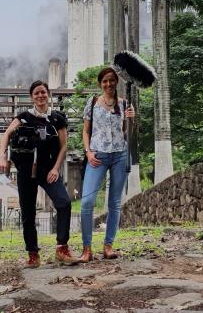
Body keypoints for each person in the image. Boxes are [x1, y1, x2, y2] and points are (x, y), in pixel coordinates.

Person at [0, 80, 78, 267]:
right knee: (28, 212)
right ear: (31, 97)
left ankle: (62, 248)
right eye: (36, 93)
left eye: (43, 92)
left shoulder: (57, 118)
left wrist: (55, 168)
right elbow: (6, 135)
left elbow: (63, 146)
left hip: (47, 169)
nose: (40, 96)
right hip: (25, 170)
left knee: (64, 202)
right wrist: (2, 157)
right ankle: (33, 254)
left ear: (48, 94)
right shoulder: (24, 117)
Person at [79, 67, 135, 262]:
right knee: (87, 201)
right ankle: (87, 248)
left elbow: (128, 134)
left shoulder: (124, 104)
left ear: (116, 82)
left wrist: (131, 119)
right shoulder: (93, 103)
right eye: (105, 81)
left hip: (120, 154)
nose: (108, 84)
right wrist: (88, 151)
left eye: (112, 81)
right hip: (97, 156)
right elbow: (85, 131)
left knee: (114, 203)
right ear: (100, 84)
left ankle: (108, 245)